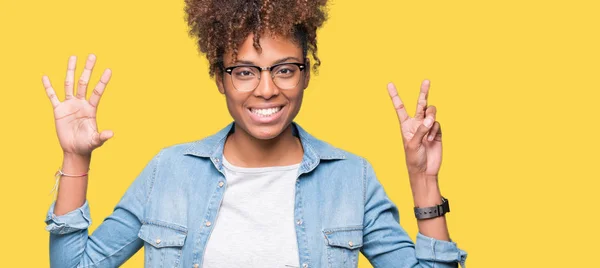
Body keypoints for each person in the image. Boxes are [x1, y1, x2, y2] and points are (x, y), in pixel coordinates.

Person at [42, 1, 467, 267]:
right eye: (244, 71)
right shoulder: (169, 172)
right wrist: (76, 158)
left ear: (305, 75)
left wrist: (424, 181)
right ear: (219, 78)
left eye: (285, 69)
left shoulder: (350, 179)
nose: (267, 88)